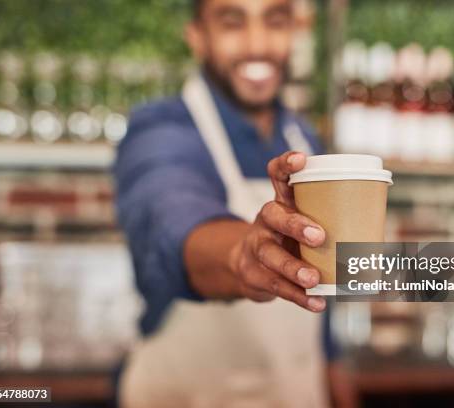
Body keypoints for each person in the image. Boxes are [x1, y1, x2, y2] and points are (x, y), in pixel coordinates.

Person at [113, 0, 356, 406]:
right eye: (232, 22)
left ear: (294, 32)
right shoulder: (160, 131)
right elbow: (170, 218)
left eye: (275, 21)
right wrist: (246, 253)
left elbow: (321, 309)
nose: (257, 43)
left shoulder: (305, 140)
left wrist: (338, 382)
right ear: (197, 37)